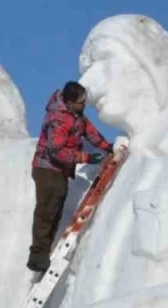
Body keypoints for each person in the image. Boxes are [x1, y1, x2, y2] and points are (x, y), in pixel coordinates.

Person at [27, 80, 113, 272]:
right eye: (81, 102)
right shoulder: (57, 119)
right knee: (47, 207)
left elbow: (89, 132)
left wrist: (106, 146)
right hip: (46, 167)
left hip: (59, 169)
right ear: (71, 102)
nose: (84, 105)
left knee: (57, 203)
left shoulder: (77, 116)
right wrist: (86, 157)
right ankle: (37, 255)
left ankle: (44, 250)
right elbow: (56, 151)